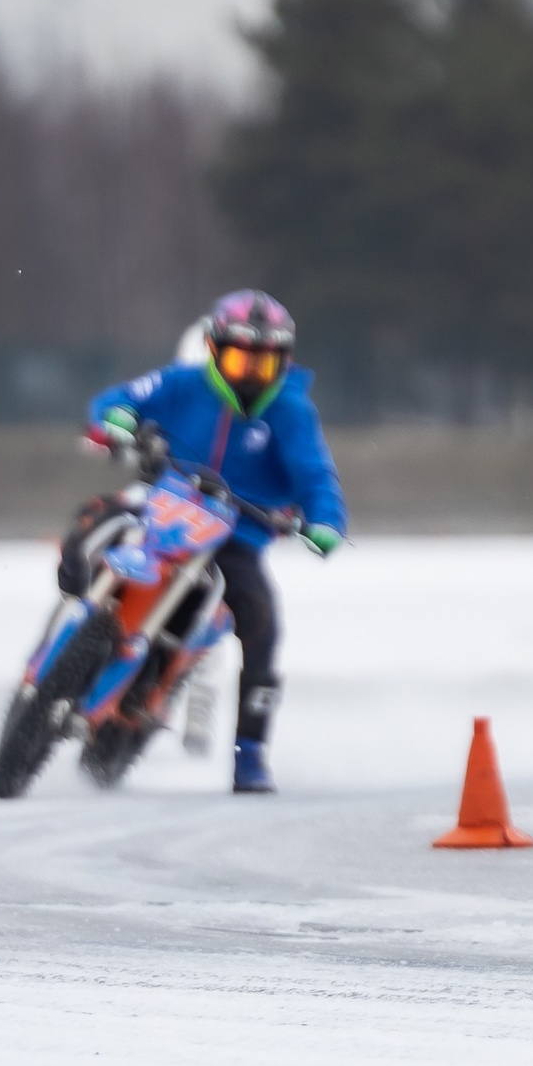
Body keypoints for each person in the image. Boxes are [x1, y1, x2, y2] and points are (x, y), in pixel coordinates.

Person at [77, 290, 346, 795]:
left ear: (284, 362)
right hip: (164, 513)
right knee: (96, 525)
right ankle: (76, 625)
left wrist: (326, 521)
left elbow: (315, 475)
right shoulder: (182, 383)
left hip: (235, 538)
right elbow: (121, 398)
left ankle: (251, 755)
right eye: (243, 357)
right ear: (216, 350)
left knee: (262, 626)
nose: (252, 372)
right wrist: (116, 419)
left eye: (267, 362)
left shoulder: (291, 411)